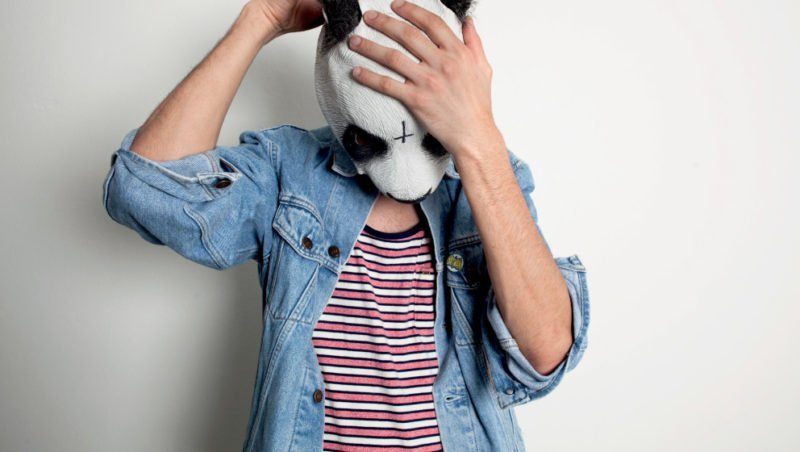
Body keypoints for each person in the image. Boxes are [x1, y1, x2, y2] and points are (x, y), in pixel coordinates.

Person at [101, 0, 591, 450]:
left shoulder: (488, 178)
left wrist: (479, 140)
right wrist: (260, 20)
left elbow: (545, 355)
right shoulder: (289, 171)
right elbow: (143, 191)